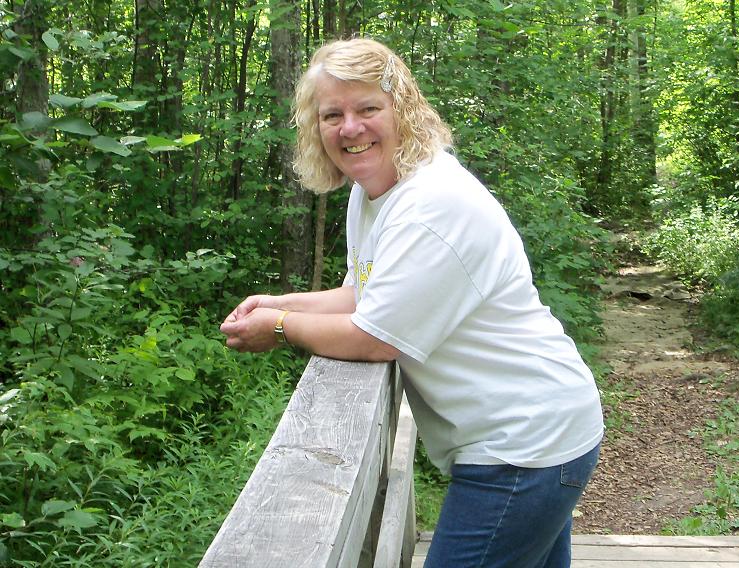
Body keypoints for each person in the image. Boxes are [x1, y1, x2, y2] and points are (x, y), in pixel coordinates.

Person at [220, 38, 604, 568]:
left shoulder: (430, 205)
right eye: (332, 114)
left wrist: (280, 326)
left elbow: (376, 338)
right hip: (530, 436)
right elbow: (363, 292)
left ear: (402, 109)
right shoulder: (373, 191)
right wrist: (278, 300)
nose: (349, 128)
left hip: (523, 445)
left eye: (367, 108)